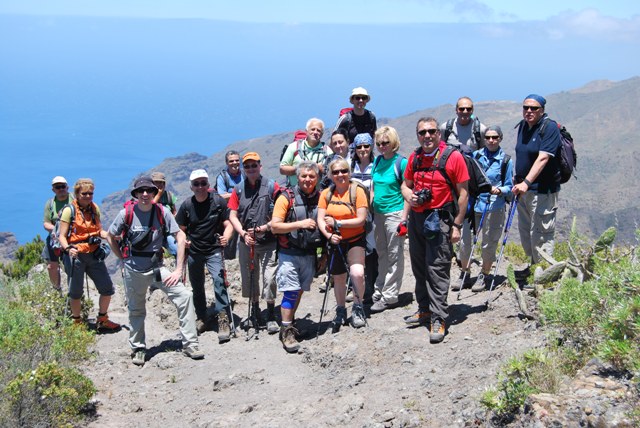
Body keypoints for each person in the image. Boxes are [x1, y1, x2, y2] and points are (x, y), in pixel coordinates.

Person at [107, 176, 203, 366]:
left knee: (184, 296)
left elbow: (180, 235)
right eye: (141, 191)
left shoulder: (162, 212)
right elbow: (111, 236)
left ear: (153, 193)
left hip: (157, 268)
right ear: (135, 194)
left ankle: (190, 344)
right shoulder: (126, 213)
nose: (145, 194)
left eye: (148, 191)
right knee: (136, 310)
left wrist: (177, 270)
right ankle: (138, 348)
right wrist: (122, 258)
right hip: (133, 269)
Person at [401, 117, 469, 343]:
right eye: (422, 132)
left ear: (439, 134)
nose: (427, 136)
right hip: (417, 219)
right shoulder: (415, 156)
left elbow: (463, 194)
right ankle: (424, 309)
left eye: (431, 131)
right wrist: (408, 195)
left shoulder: (453, 157)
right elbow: (405, 184)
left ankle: (439, 318)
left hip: (440, 219)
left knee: (437, 269)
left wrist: (457, 225)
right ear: (417, 135)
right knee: (419, 266)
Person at [176, 169, 234, 342]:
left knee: (219, 281)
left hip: (214, 249)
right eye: (196, 184)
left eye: (203, 183)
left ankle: (223, 318)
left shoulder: (217, 202)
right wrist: (183, 240)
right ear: (191, 187)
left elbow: (228, 222)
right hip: (194, 251)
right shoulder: (187, 206)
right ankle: (202, 317)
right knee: (197, 285)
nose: (200, 187)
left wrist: (227, 236)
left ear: (208, 185)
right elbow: (180, 229)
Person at [271, 161, 324, 352]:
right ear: (297, 177)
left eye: (312, 176)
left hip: (309, 253)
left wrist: (324, 254)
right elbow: (275, 226)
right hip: (289, 253)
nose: (307, 180)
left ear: (317, 178)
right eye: (304, 176)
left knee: (299, 290)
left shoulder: (321, 198)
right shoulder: (286, 197)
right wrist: (299, 224)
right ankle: (287, 331)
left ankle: (288, 323)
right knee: (291, 290)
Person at [58, 178, 120, 332]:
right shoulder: (69, 211)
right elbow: (61, 236)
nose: (87, 196)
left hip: (94, 254)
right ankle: (77, 322)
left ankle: (102, 319)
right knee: (76, 291)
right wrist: (67, 249)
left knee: (107, 288)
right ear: (77, 194)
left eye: (90, 193)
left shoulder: (94, 208)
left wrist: (110, 236)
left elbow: (99, 230)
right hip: (76, 255)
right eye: (84, 193)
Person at [228, 152, 280, 333]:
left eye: (254, 165)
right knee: (250, 278)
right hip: (246, 243)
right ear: (244, 169)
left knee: (270, 277)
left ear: (260, 166)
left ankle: (271, 313)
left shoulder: (272, 186)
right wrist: (242, 233)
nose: (251, 169)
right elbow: (232, 215)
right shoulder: (238, 189)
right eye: (247, 166)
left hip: (268, 241)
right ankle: (256, 310)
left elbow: (281, 213)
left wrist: (264, 228)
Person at [440, 97, 487, 289]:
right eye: (461, 109)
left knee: (466, 230)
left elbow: (484, 156)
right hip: (447, 187)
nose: (465, 112)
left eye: (468, 109)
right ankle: (446, 268)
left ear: (472, 109)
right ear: (456, 110)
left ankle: (465, 271)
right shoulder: (446, 127)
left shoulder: (480, 130)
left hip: (468, 188)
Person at [512, 94, 562, 274]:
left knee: (541, 233)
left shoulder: (549, 128)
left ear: (542, 110)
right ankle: (534, 267)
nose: (529, 111)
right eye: (526, 107)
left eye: (534, 108)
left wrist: (526, 182)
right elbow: (522, 154)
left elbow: (543, 158)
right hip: (523, 190)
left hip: (543, 191)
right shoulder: (523, 126)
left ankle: (543, 274)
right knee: (526, 231)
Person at [317, 158, 368, 331]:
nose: (340, 175)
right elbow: (320, 219)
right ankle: (340, 309)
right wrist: (329, 235)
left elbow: (361, 220)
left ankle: (358, 307)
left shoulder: (357, 191)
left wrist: (338, 223)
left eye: (344, 171)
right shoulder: (326, 194)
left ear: (349, 172)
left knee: (357, 273)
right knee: (338, 277)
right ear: (330, 175)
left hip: (355, 239)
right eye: (336, 172)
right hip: (335, 241)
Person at [468, 126, 514, 292]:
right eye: (488, 137)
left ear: (500, 138)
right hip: (477, 204)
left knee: (489, 241)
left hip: (495, 206)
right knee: (468, 240)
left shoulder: (506, 161)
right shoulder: (476, 156)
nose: (491, 140)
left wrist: (500, 190)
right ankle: (465, 272)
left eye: (495, 137)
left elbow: (510, 186)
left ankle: (484, 274)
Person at [370, 126, 409, 312]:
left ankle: (390, 296)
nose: (381, 146)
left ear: (393, 142)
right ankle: (380, 288)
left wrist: (404, 218)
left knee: (395, 254)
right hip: (378, 214)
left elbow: (409, 190)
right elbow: (373, 187)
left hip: (395, 214)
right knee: (382, 253)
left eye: (385, 142)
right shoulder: (377, 161)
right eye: (378, 143)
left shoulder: (401, 163)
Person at [349, 133, 378, 304]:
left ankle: (371, 287)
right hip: (354, 216)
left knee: (372, 250)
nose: (363, 150)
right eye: (359, 146)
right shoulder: (351, 167)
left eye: (366, 146)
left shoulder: (375, 166)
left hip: (372, 215)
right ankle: (357, 288)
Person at [41, 176, 73, 290]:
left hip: (71, 238)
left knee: (71, 266)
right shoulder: (50, 204)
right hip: (54, 239)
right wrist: (58, 229)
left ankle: (73, 292)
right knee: (51, 266)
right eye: (57, 187)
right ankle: (56, 289)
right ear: (53, 189)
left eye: (63, 186)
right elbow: (46, 223)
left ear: (67, 187)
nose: (61, 189)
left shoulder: (74, 201)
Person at [280, 118, 332, 187]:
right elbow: (282, 169)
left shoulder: (328, 152)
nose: (315, 132)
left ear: (322, 134)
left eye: (318, 130)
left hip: (319, 193)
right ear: (306, 131)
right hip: (294, 192)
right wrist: (300, 169)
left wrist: (321, 169)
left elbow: (333, 173)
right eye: (313, 129)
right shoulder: (294, 147)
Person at [151, 171, 178, 256]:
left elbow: (174, 210)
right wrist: (158, 195)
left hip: (167, 231)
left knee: (177, 250)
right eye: (156, 183)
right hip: (153, 233)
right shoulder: (147, 196)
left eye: (160, 182)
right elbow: (149, 209)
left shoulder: (169, 196)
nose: (158, 185)